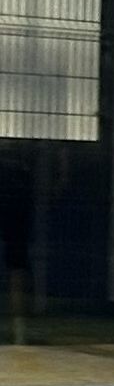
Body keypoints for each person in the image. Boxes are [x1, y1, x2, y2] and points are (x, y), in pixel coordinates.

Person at [0, 139, 35, 346]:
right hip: (17, 213)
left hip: (16, 213)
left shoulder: (21, 168)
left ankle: (20, 329)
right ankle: (19, 330)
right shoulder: (22, 168)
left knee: (17, 267)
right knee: (17, 268)